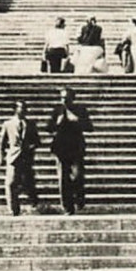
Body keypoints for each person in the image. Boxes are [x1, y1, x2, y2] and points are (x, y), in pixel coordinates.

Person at [46, 87, 94, 215]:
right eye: (62, 98)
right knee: (63, 179)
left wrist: (78, 121)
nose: (64, 101)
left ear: (72, 98)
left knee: (78, 176)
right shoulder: (57, 110)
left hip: (76, 148)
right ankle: (67, 207)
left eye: (66, 98)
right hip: (61, 149)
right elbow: (48, 128)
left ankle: (79, 198)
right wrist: (56, 123)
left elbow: (90, 127)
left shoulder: (80, 110)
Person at [0, 100, 41, 216]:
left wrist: (31, 147)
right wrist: (0, 157)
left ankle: (35, 204)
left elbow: (37, 141)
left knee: (29, 182)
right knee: (10, 183)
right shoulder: (7, 124)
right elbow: (1, 143)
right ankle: (13, 209)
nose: (24, 110)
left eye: (25, 108)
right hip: (13, 157)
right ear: (15, 109)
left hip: (26, 157)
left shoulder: (31, 124)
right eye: (21, 107)